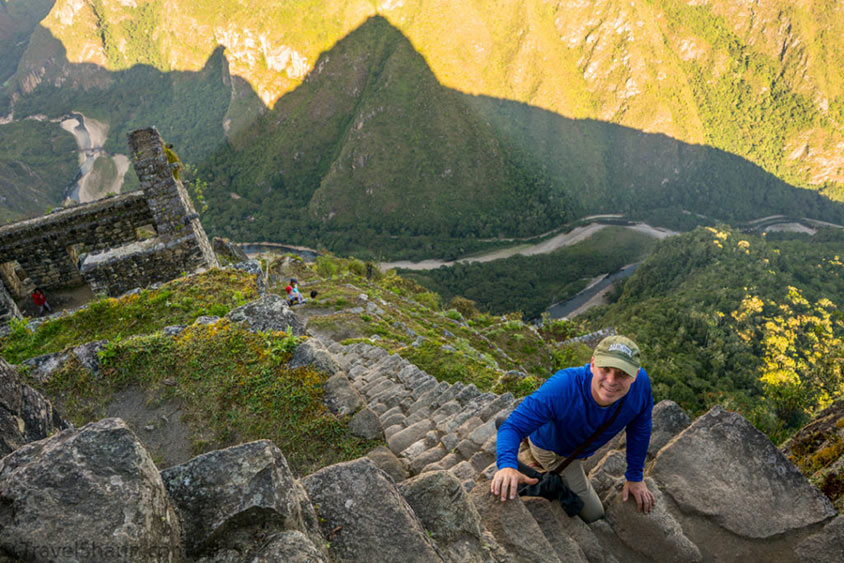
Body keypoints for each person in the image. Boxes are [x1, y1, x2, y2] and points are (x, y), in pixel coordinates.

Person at [491, 335, 655, 522]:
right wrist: (507, 466)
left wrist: (635, 477)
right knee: (593, 514)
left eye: (622, 374)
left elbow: (640, 427)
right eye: (606, 370)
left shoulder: (641, 385)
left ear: (635, 375)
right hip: (554, 450)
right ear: (593, 364)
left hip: (578, 446)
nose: (611, 380)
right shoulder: (564, 386)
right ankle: (528, 453)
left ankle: (527, 436)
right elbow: (512, 427)